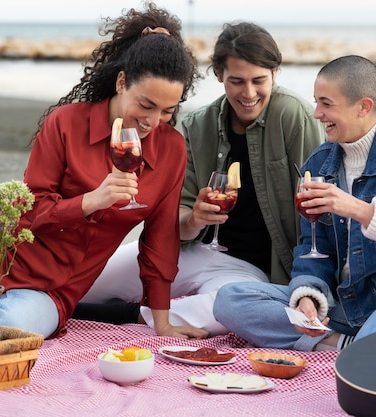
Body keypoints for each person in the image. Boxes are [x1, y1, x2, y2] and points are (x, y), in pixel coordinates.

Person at [0, 2, 204, 339]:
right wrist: (90, 201)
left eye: (168, 111)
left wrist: (162, 322)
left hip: (51, 294)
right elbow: (31, 209)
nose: (153, 122)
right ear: (122, 82)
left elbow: (160, 241)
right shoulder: (65, 124)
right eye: (146, 104)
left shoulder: (170, 149)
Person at [73, 21, 325, 335]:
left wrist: (311, 285)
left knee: (221, 309)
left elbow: (319, 211)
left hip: (256, 272)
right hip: (197, 252)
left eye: (259, 80)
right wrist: (195, 218)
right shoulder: (197, 125)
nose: (249, 93)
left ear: (275, 74)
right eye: (236, 81)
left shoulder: (293, 115)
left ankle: (124, 316)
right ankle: (73, 305)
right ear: (219, 75)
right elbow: (174, 226)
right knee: (83, 282)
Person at [212, 55, 376, 351]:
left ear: (363, 107)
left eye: (326, 104)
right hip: (343, 304)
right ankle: (344, 344)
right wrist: (309, 295)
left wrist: (361, 210)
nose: (316, 114)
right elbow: (313, 247)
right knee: (231, 299)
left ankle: (350, 345)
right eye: (316, 102)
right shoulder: (319, 161)